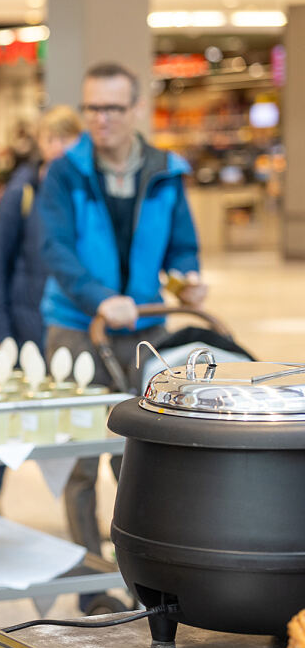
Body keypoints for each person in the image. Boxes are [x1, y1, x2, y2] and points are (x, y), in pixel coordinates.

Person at [38, 61, 206, 575]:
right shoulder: (65, 172)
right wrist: (99, 298)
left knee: (142, 455)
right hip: (75, 327)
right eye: (92, 108)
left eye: (113, 108)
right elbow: (55, 250)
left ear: (136, 109)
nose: (101, 118)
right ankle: (92, 581)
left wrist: (189, 276)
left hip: (145, 332)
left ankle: (141, 569)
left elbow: (182, 245)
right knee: (81, 462)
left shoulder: (165, 170)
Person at [0, 105, 83, 513]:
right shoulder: (21, 190)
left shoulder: (80, 190)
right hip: (19, 325)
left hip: (65, 326)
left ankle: (78, 514)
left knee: (67, 418)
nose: (59, 147)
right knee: (5, 417)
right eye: (52, 138)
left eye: (67, 139)